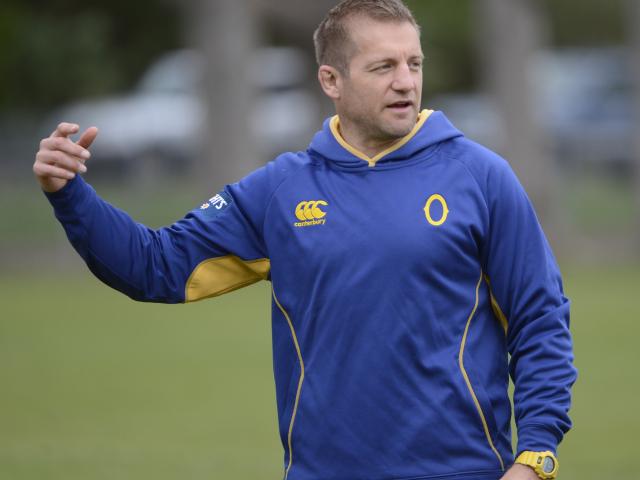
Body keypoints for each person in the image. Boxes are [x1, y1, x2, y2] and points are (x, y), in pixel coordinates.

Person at [33, 1, 576, 479]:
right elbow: (155, 266)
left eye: (414, 63)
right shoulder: (282, 190)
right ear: (331, 81)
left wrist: (535, 458)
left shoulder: (481, 177)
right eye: (383, 66)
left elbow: (540, 318)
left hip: (463, 471)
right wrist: (70, 195)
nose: (406, 81)